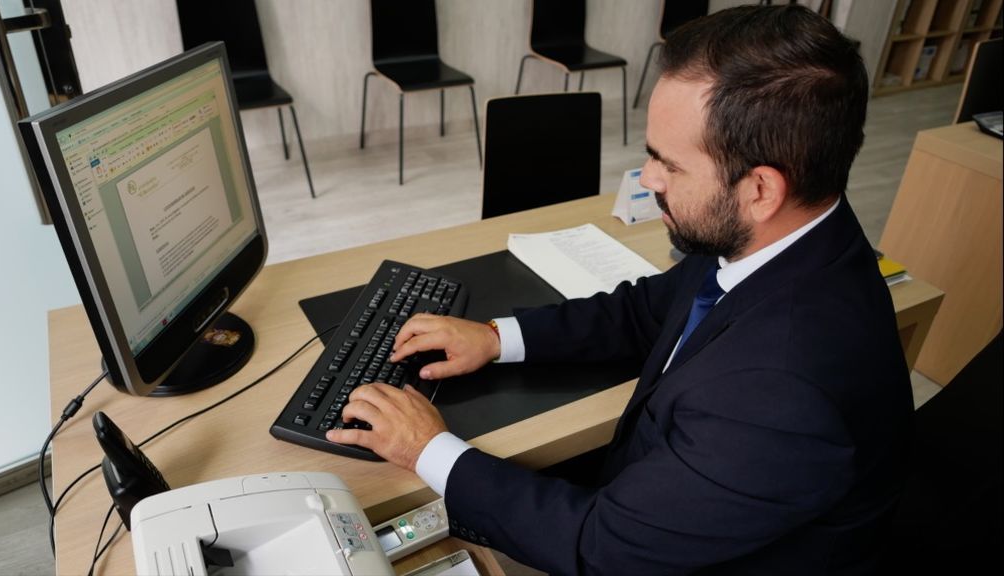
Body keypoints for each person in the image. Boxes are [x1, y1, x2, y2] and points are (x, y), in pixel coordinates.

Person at [327, 5, 913, 574]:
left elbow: (600, 549)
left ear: (761, 189)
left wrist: (427, 449)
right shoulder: (789, 241)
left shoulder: (781, 395)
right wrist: (493, 336)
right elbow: (646, 310)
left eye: (670, 165)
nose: (647, 180)